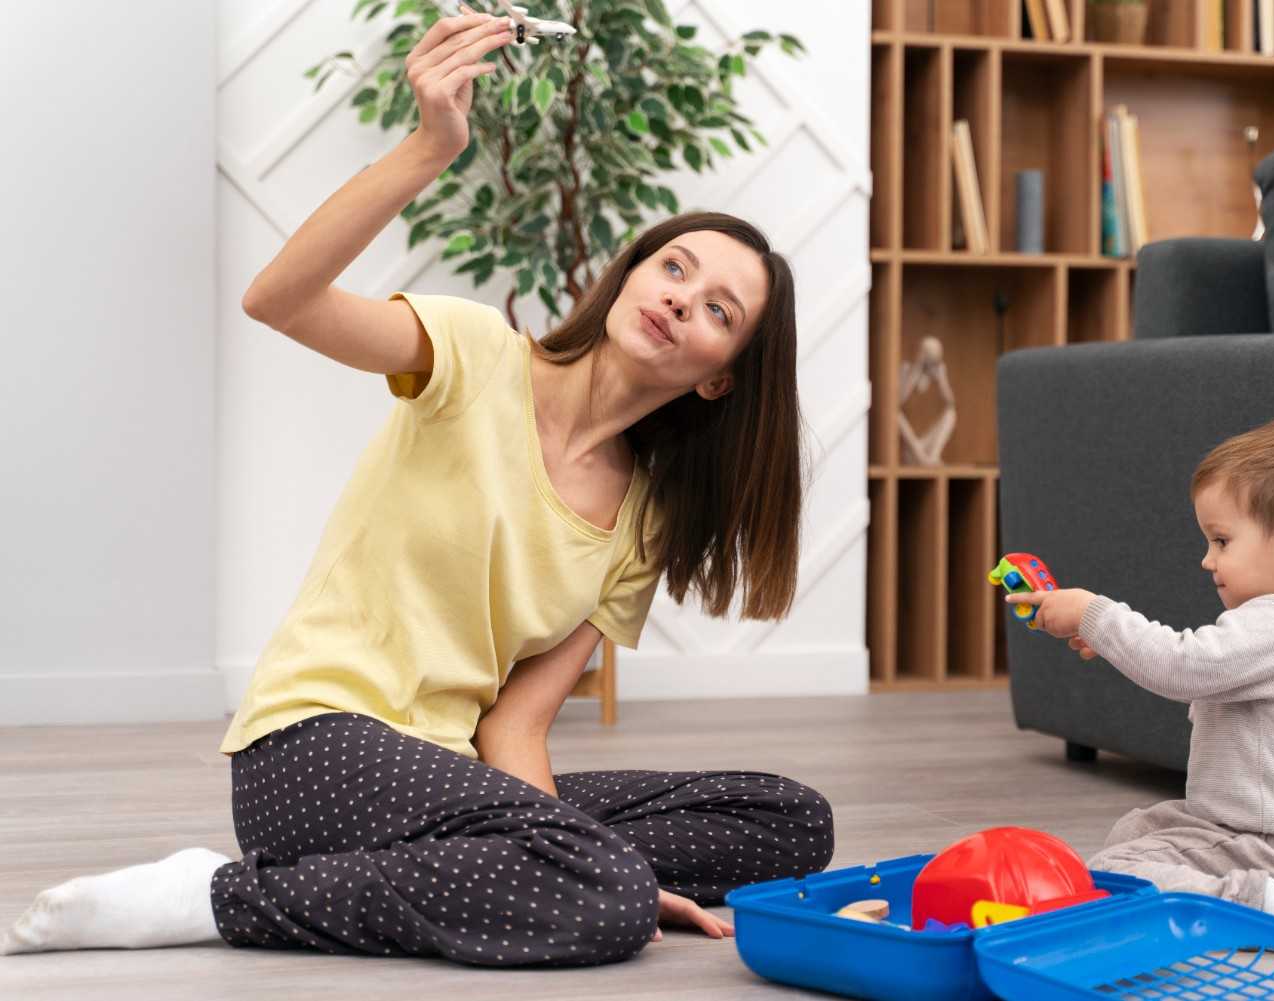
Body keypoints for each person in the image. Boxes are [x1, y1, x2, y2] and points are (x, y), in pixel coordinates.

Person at [2, 6, 832, 966]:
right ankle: (220, 894)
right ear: (632, 276)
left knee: (788, 819)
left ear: (721, 377)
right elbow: (279, 300)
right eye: (674, 266)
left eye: (718, 309)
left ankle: (542, 868)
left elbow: (515, 722)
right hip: (313, 747)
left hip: (449, 771)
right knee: (607, 891)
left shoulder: (645, 517)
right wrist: (431, 145)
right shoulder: (474, 353)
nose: (682, 296)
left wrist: (566, 843)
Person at [1007, 414, 1274, 928]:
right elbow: (1191, 666)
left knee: (1115, 868)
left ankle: (1250, 905)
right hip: (1244, 834)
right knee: (1136, 832)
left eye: (1221, 541)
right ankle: (1229, 897)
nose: (1207, 561)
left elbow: (1182, 666)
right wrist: (1109, 641)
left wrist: (1094, 615)